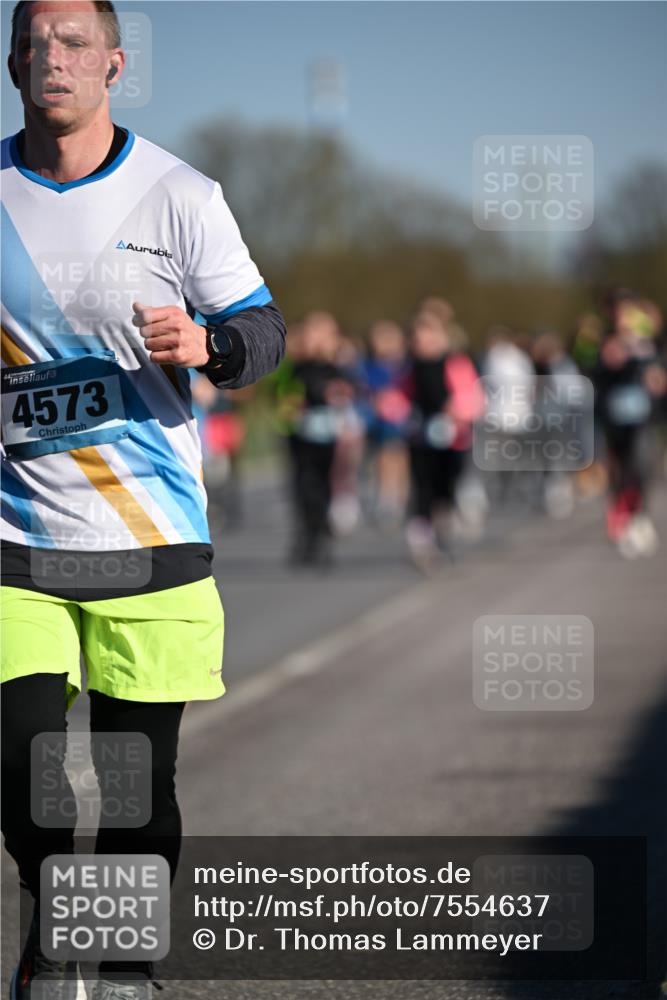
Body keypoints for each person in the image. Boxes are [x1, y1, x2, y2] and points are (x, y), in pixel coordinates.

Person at [0, 3, 286, 998]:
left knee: (133, 786)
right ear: (10, 63)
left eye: (73, 41)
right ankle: (52, 920)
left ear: (114, 64)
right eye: (35, 40)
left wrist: (210, 345)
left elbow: (263, 330)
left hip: (150, 541)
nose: (53, 56)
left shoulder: (178, 195)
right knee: (20, 766)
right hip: (15, 543)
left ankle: (124, 966)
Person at [401, 300, 484, 572]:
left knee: (445, 490)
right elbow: (398, 399)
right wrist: (396, 410)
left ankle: (443, 535)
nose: (423, 341)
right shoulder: (409, 368)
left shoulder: (456, 363)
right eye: (418, 336)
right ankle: (422, 545)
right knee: (421, 489)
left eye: (429, 335)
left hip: (453, 438)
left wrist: (457, 410)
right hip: (421, 437)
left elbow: (474, 398)